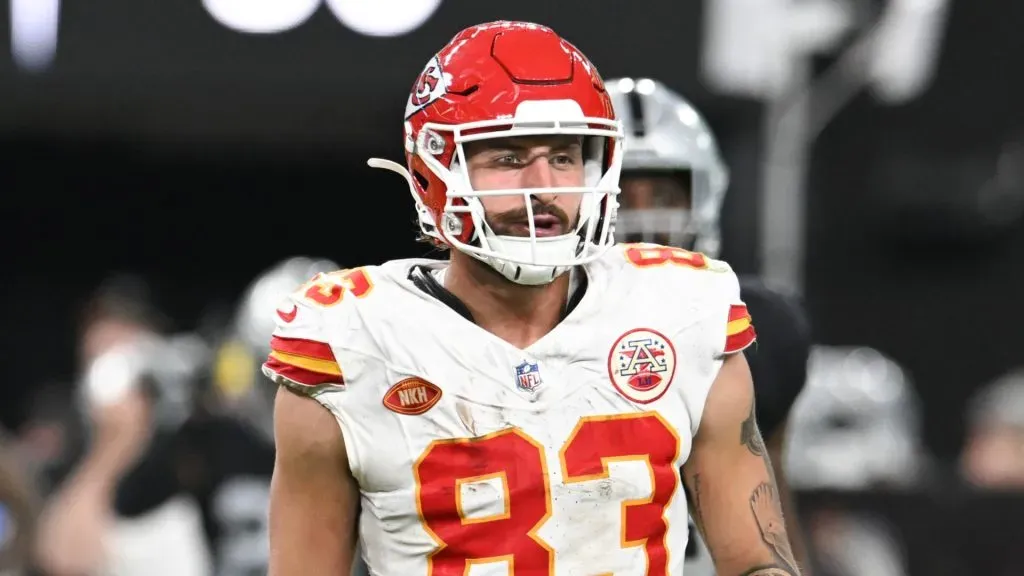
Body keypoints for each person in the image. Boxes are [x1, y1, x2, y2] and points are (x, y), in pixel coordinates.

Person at [265, 20, 802, 576]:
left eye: (565, 157)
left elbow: (757, 561)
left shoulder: (681, 310)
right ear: (434, 172)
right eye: (509, 159)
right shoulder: (353, 342)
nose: (545, 186)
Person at [605, 77, 814, 573]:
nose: (641, 218)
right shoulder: (528, 324)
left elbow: (771, 501)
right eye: (620, 194)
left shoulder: (760, 327)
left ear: (704, 195)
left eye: (661, 194)